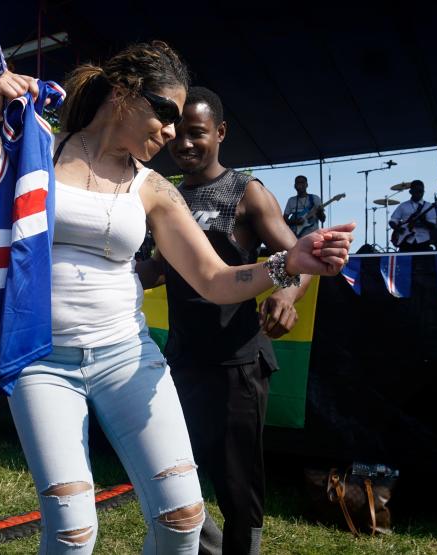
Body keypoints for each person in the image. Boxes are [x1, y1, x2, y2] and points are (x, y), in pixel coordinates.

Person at [0, 41, 353, 553]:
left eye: (179, 120)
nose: (170, 132)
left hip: (128, 357)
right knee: (74, 532)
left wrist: (288, 263)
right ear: (122, 94)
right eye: (165, 113)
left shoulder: (153, 188)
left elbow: (212, 279)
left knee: (184, 519)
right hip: (41, 362)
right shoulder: (32, 150)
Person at [135, 86, 314, 555]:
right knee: (169, 467)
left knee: (238, 482)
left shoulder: (247, 193)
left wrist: (287, 296)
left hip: (238, 362)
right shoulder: (166, 196)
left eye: (197, 134)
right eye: (179, 136)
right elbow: (157, 267)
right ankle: (210, 546)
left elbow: (296, 259)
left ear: (221, 132)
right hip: (182, 359)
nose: (185, 145)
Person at [388, 180, 437, 252]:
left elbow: (433, 226)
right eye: (417, 191)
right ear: (410, 192)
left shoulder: (428, 206)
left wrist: (423, 221)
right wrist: (398, 229)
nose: (419, 193)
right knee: (405, 262)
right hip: (405, 241)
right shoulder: (403, 206)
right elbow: (393, 221)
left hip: (423, 241)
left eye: (421, 191)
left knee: (423, 262)